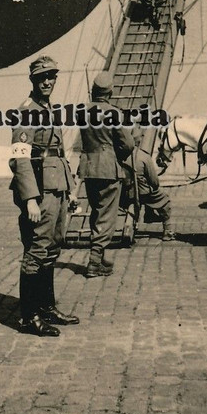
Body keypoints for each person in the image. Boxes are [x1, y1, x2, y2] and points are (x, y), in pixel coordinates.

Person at [9, 55, 80, 336]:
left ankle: (46, 307)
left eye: (52, 76)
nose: (48, 81)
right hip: (40, 192)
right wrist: (30, 198)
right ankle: (29, 317)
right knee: (37, 251)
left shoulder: (48, 108)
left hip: (58, 188)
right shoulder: (27, 111)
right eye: (42, 77)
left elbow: (59, 154)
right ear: (33, 80)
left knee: (52, 248)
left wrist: (71, 188)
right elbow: (19, 158)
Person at [77, 72, 135, 278]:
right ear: (110, 91)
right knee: (107, 215)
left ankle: (100, 259)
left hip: (89, 168)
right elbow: (127, 144)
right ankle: (94, 261)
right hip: (109, 169)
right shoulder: (114, 113)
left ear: (93, 90)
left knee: (97, 211)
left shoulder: (81, 112)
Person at [130, 132, 175, 240]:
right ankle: (168, 232)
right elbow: (155, 182)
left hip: (126, 192)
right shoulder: (143, 156)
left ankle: (149, 215)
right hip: (142, 193)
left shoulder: (120, 154)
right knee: (164, 200)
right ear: (139, 142)